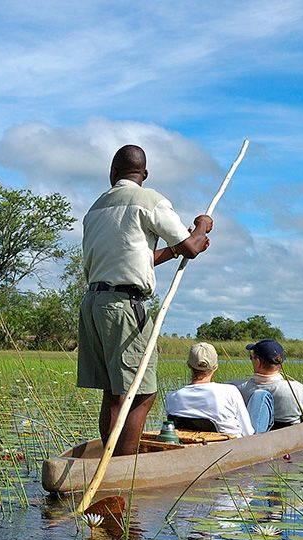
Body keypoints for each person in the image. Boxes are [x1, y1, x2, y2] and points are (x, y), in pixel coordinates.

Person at [77, 144, 213, 455]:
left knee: (113, 392)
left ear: (112, 174)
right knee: (141, 393)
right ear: (145, 175)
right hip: (125, 306)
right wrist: (202, 225)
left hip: (93, 304)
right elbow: (192, 246)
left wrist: (181, 246)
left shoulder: (96, 208)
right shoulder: (149, 199)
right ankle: (123, 465)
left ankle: (110, 460)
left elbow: (138, 259)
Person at [164, 342, 254, 438]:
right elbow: (248, 432)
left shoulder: (171, 397)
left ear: (189, 365)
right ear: (215, 367)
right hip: (231, 446)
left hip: (194, 447)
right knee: (261, 396)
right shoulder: (230, 391)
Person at [235, 339, 303, 431]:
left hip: (251, 439)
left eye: (251, 357)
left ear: (258, 362)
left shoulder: (236, 388)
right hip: (291, 439)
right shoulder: (297, 389)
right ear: (280, 363)